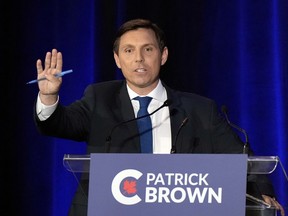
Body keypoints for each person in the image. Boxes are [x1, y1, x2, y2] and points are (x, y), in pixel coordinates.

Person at [33, 19, 285, 216]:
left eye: (148, 49)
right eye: (129, 50)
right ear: (117, 60)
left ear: (163, 55)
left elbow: (242, 159)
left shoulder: (199, 109)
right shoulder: (99, 98)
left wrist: (262, 193)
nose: (139, 58)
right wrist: (48, 97)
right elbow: (59, 123)